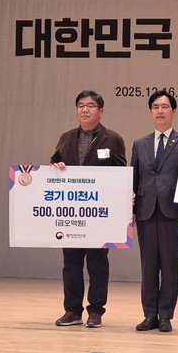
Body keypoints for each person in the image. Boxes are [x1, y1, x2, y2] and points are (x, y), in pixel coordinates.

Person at [50, 90, 127, 329]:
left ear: (100, 111)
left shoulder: (113, 139)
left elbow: (122, 175)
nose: (85, 109)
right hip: (72, 212)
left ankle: (95, 311)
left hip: (99, 213)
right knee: (71, 262)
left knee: (97, 263)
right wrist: (55, 166)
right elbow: (52, 164)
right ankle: (72, 310)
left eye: (91, 105)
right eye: (81, 105)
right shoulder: (65, 138)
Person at [131, 89, 178, 333]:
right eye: (156, 107)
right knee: (148, 264)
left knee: (169, 264)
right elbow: (134, 178)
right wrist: (130, 210)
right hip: (145, 210)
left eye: (165, 107)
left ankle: (166, 316)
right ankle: (150, 315)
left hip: (173, 211)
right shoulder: (140, 144)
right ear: (151, 112)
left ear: (174, 112)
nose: (160, 111)